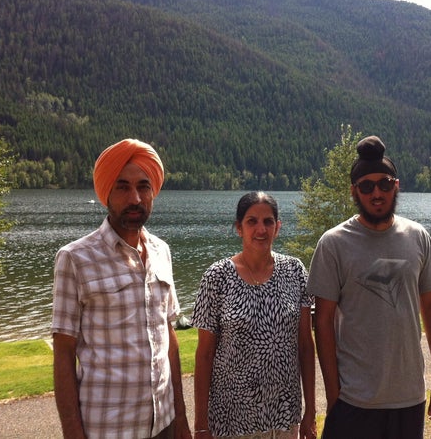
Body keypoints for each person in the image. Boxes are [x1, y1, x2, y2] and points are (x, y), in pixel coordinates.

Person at [307, 135, 431, 439]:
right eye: (367, 186)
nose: (377, 193)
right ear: (354, 191)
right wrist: (334, 396)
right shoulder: (333, 244)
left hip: (409, 396)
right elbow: (322, 323)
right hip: (354, 399)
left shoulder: (418, 236)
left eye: (384, 184)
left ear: (396, 185)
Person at [51, 138, 191, 439]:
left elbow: (170, 339)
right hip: (109, 429)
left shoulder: (161, 251)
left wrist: (181, 420)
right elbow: (63, 354)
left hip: (164, 424)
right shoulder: (75, 259)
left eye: (143, 187)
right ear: (106, 194)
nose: (135, 198)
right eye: (123, 187)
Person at [191, 192, 316, 439]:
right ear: (239, 228)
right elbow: (204, 355)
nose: (261, 229)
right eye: (252, 221)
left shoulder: (295, 271)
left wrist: (310, 411)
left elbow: (305, 345)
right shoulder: (217, 277)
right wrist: (201, 424)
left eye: (268, 221)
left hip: (283, 414)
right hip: (230, 418)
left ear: (278, 227)